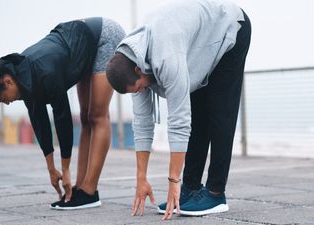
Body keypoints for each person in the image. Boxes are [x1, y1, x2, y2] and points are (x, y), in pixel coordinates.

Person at [106, 0, 251, 219]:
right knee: (199, 115)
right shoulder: (129, 62)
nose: (142, 91)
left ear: (138, 69)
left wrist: (173, 180)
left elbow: (179, 120)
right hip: (198, 45)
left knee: (220, 113)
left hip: (229, 29)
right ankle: (190, 190)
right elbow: (143, 123)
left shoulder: (166, 57)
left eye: (139, 87)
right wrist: (141, 178)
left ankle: (215, 194)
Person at [0, 17, 125, 210]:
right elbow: (39, 120)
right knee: (85, 118)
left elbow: (62, 117)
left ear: (7, 81)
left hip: (103, 37)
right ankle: (80, 188)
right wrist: (51, 169)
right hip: (80, 43)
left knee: (96, 115)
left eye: (2, 98)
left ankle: (90, 191)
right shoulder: (21, 76)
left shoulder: (44, 71)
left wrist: (65, 169)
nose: (5, 102)